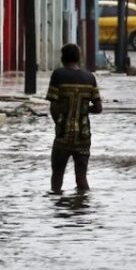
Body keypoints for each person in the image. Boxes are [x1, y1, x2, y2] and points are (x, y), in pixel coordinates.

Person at [46, 43, 103, 193]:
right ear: (78, 58)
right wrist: (82, 109)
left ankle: (57, 208)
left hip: (63, 136)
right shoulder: (90, 77)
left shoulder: (58, 75)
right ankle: (82, 208)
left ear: (63, 58)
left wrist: (59, 123)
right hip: (83, 137)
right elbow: (98, 108)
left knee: (57, 178)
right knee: (82, 178)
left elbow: (53, 106)